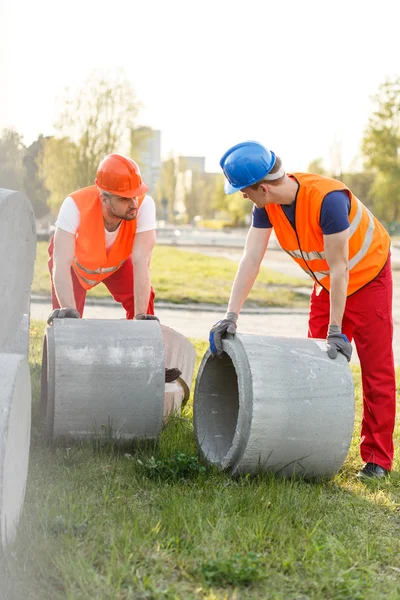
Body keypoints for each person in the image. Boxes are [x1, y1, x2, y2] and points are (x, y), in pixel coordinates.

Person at [209, 141, 395, 480]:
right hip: (327, 284)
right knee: (315, 364)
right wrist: (230, 314)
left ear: (263, 187)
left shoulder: (329, 201)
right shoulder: (267, 207)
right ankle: (315, 444)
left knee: (376, 370)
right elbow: (252, 258)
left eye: (244, 192)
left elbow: (341, 268)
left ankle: (377, 459)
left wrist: (336, 329)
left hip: (368, 280)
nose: (243, 197)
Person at [48, 153, 180, 383]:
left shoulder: (145, 205)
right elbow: (60, 264)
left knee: (144, 306)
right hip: (74, 267)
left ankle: (146, 361)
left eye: (136, 196)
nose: (134, 203)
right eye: (125, 199)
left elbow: (141, 263)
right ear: (104, 198)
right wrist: (68, 309)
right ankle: (61, 374)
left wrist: (141, 319)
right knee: (66, 322)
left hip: (116, 263)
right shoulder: (74, 205)